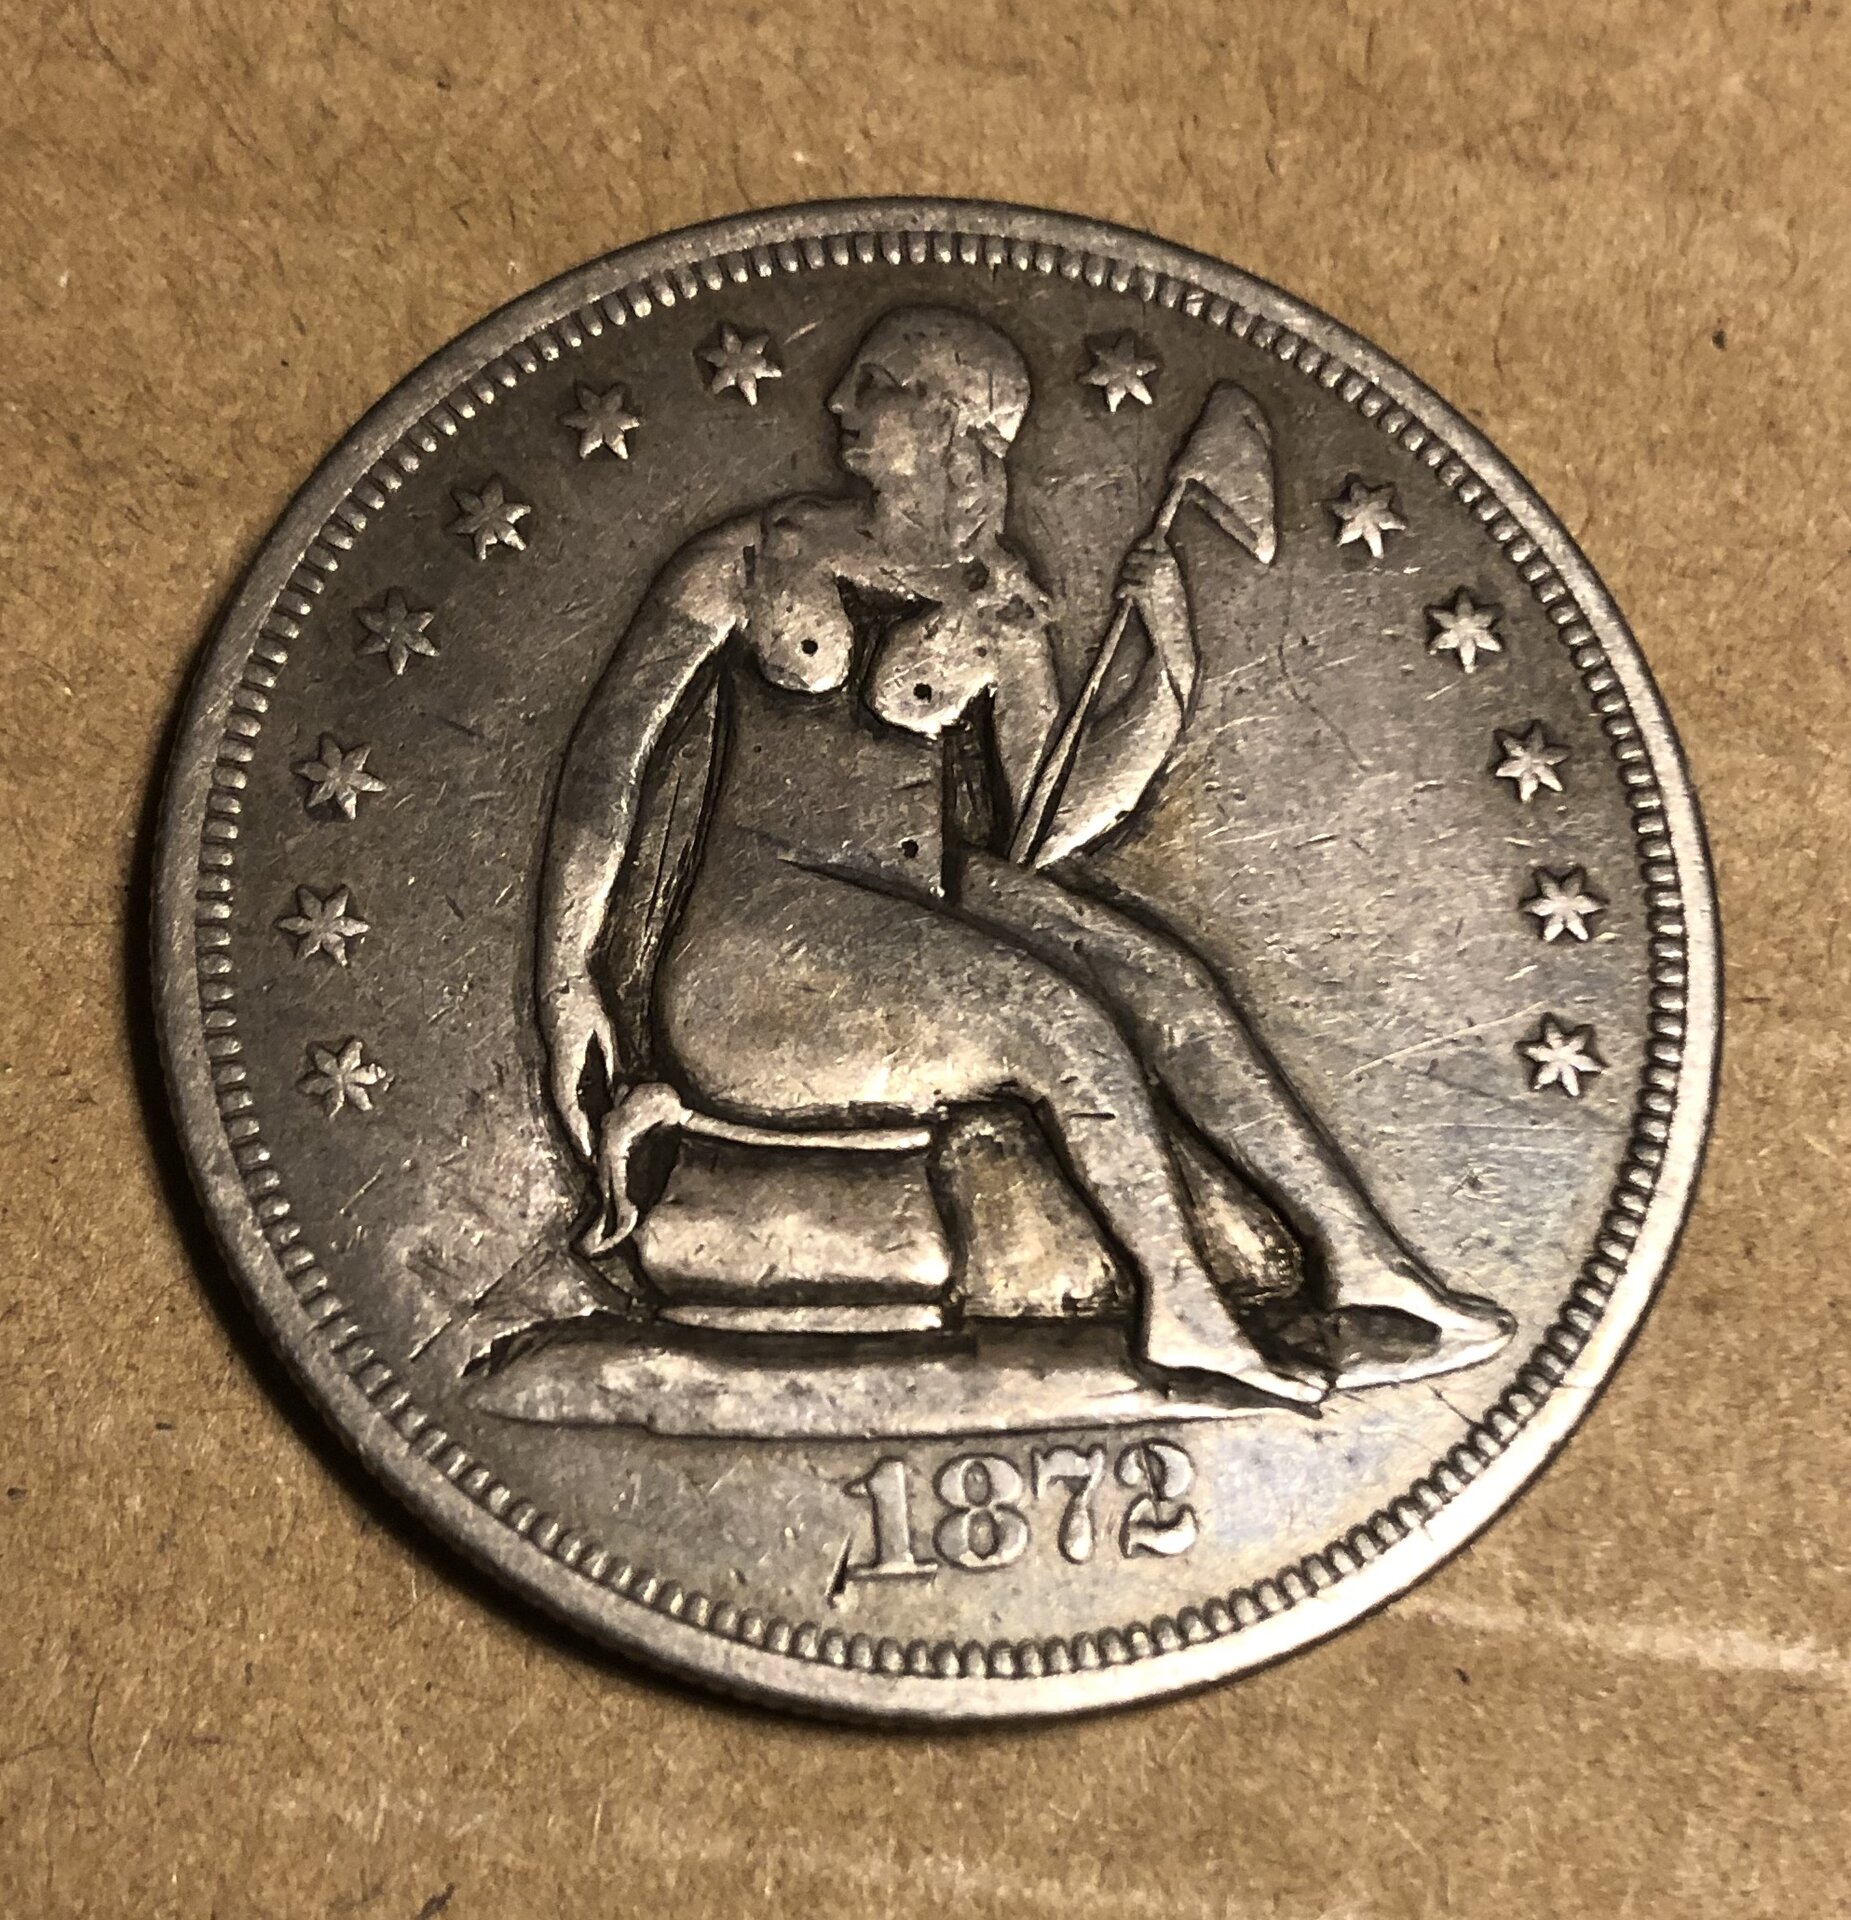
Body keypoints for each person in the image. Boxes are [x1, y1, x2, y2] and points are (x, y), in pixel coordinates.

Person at [537, 306, 1511, 1403]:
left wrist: (1170, 666)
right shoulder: (751, 558)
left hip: (916, 909)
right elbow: (607, 765)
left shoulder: (997, 597)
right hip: (761, 958)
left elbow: (1054, 820)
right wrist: (568, 977)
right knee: (1058, 1022)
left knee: (1170, 988)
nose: (841, 403)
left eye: (877, 386)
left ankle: (1367, 1265)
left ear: (952, 424)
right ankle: (1182, 1312)